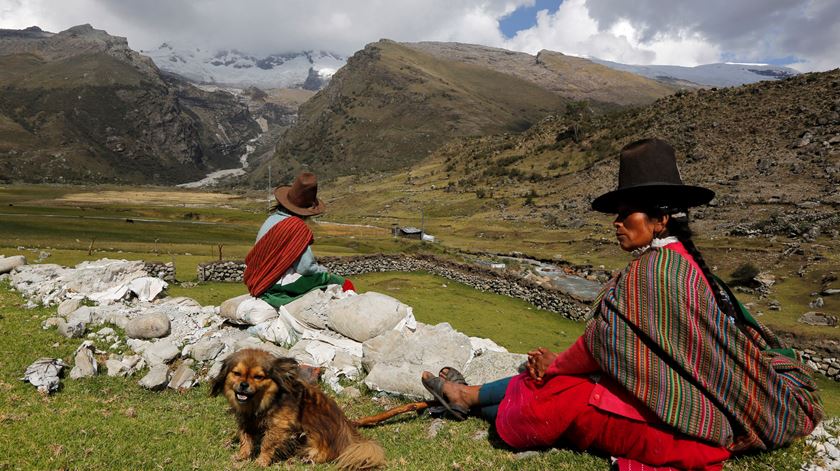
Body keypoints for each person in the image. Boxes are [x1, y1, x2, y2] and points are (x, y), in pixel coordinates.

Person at [421, 138, 823, 470]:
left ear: (660, 219)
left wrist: (557, 363)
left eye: (626, 213)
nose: (616, 222)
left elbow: (605, 346)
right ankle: (468, 395)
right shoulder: (677, 262)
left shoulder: (653, 272)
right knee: (558, 382)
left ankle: (468, 400)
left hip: (695, 416)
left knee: (556, 392)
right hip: (698, 399)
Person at [243, 171, 354, 307]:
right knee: (344, 283)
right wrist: (324, 272)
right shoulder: (297, 227)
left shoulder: (271, 219)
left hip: (256, 279)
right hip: (274, 283)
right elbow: (305, 268)